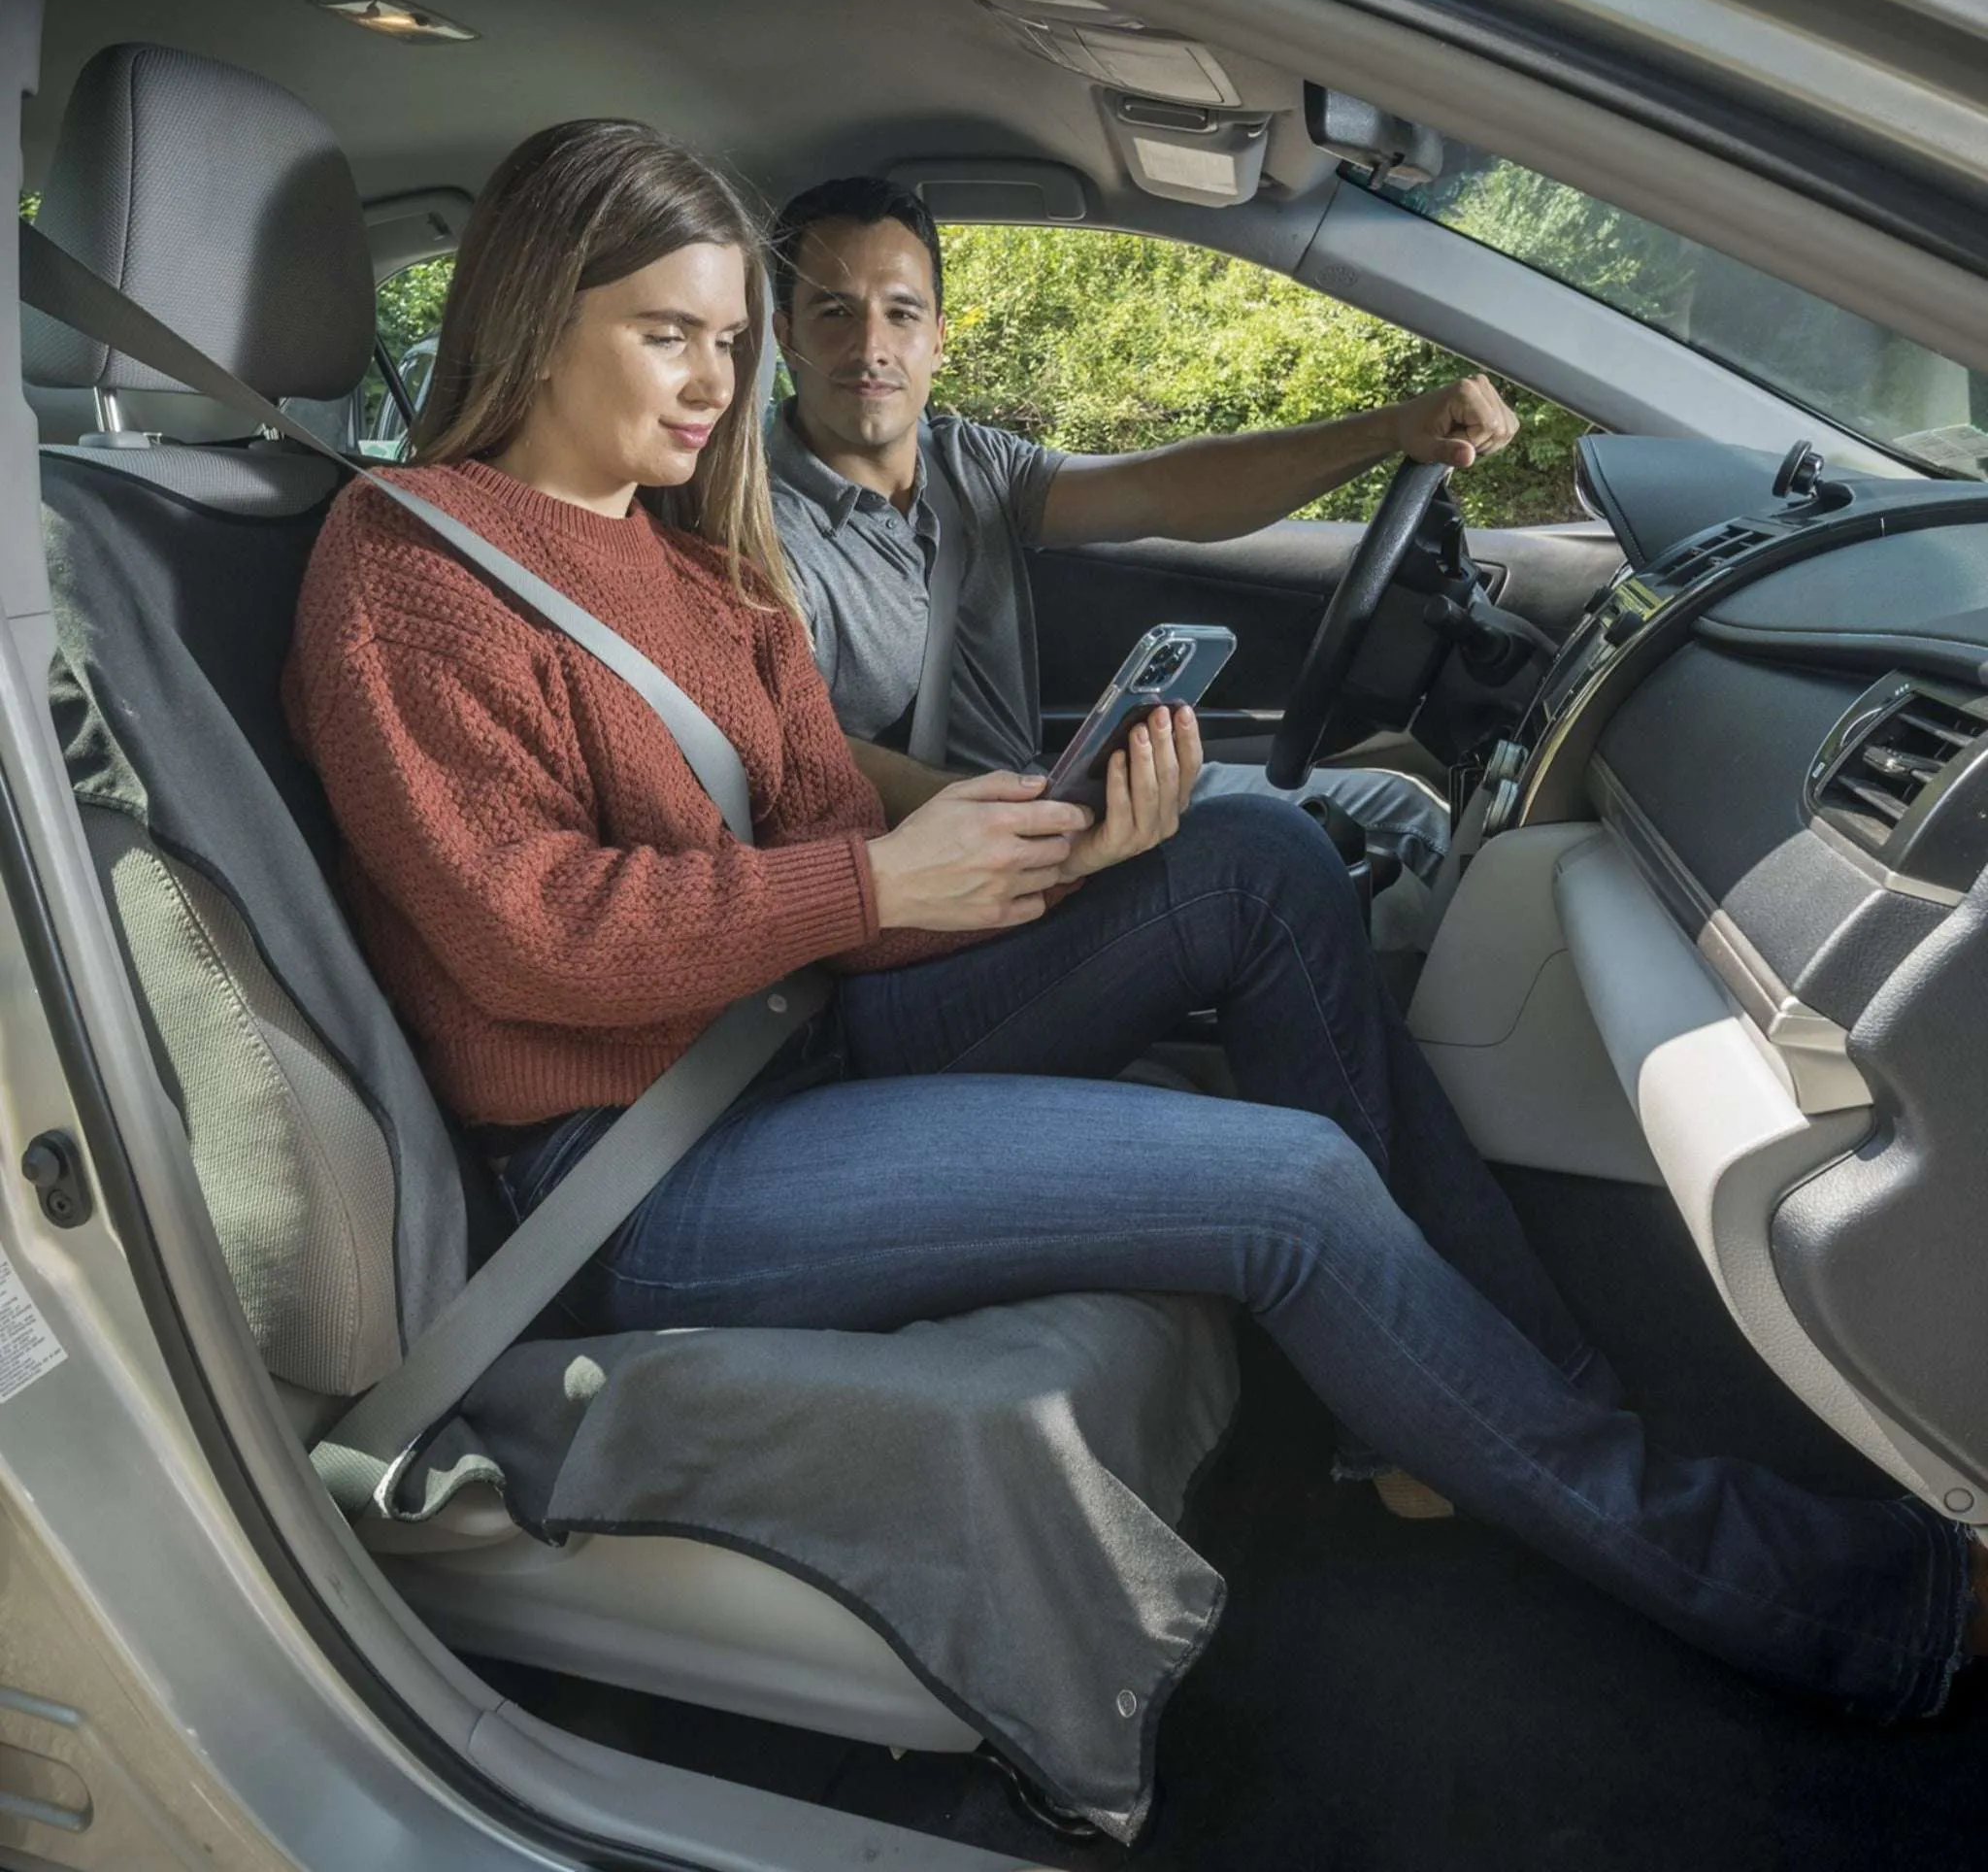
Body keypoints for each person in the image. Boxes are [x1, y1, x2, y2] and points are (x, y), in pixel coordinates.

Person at [283, 117, 1983, 1726]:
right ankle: (1819, 1600)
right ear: (531, 318)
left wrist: (1059, 862)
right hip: (633, 1166)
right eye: (672, 335)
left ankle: (1495, 1404)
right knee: (1294, 1186)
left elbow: (815, 867)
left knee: (1247, 856)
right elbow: (534, 933)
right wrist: (878, 880)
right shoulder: (407, 566)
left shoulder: (699, 561)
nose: (717, 381)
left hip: (788, 1038)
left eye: (728, 338)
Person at [765, 175, 1512, 895]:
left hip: (1041, 803)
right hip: (940, 872)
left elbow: (1166, 491)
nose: (871, 348)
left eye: (900, 314)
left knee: (1400, 811)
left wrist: (1389, 430)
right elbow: (795, 749)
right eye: (835, 313)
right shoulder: (755, 523)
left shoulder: (967, 461)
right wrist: (1019, 819)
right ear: (786, 334)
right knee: (1278, 858)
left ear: (938, 339)